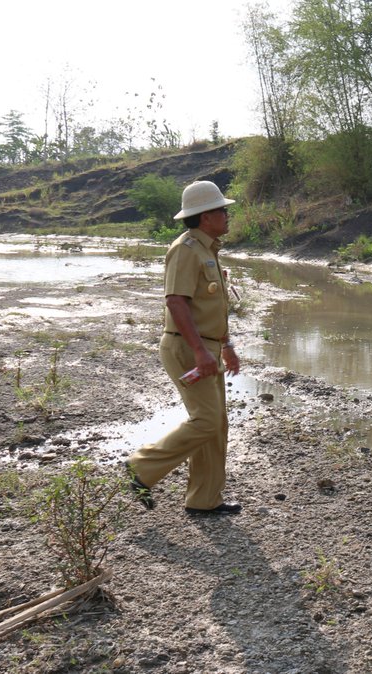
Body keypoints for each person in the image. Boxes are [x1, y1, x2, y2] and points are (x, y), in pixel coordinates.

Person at [126, 180, 243, 515]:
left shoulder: (208, 249)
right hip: (187, 348)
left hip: (205, 346)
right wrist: (201, 352)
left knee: (216, 423)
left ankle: (204, 499)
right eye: (222, 209)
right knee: (205, 420)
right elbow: (176, 302)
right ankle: (140, 469)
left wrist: (226, 345)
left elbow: (210, 308)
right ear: (205, 216)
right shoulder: (186, 249)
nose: (226, 214)